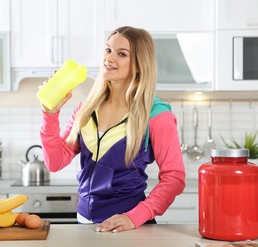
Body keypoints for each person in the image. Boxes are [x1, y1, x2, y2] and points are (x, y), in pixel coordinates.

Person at [39, 26, 185, 233]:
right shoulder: (86, 108)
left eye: (122, 54)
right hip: (84, 224)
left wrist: (134, 217)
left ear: (139, 65)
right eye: (108, 50)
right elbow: (54, 162)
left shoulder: (156, 115)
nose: (110, 58)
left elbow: (174, 178)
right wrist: (50, 114)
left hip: (128, 227)